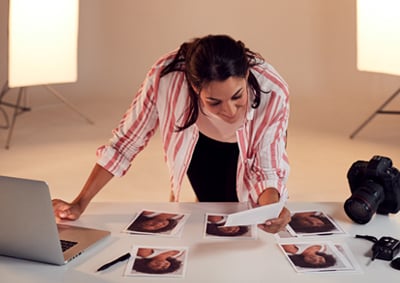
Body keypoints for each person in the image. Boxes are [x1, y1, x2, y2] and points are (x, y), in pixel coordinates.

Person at [52, 34, 291, 234]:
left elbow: (267, 168)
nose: (228, 110)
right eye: (214, 101)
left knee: (244, 220)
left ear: (246, 75)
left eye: (237, 96)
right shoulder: (165, 76)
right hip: (201, 148)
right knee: (209, 216)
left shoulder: (274, 90)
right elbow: (125, 143)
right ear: (196, 87)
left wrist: (271, 210)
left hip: (243, 152)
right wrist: (79, 203)